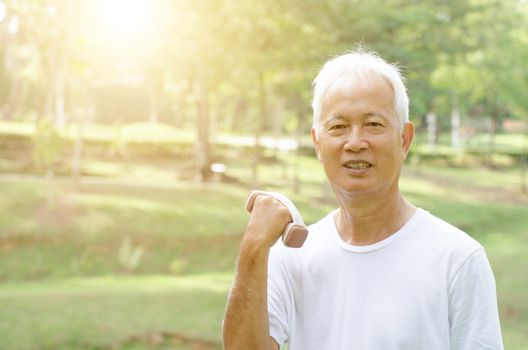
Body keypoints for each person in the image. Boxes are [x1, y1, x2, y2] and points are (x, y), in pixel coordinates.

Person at [222, 49, 503, 350]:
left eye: (373, 124)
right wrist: (253, 247)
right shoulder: (293, 256)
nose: (355, 143)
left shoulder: (458, 259)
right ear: (318, 142)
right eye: (339, 127)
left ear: (404, 139)